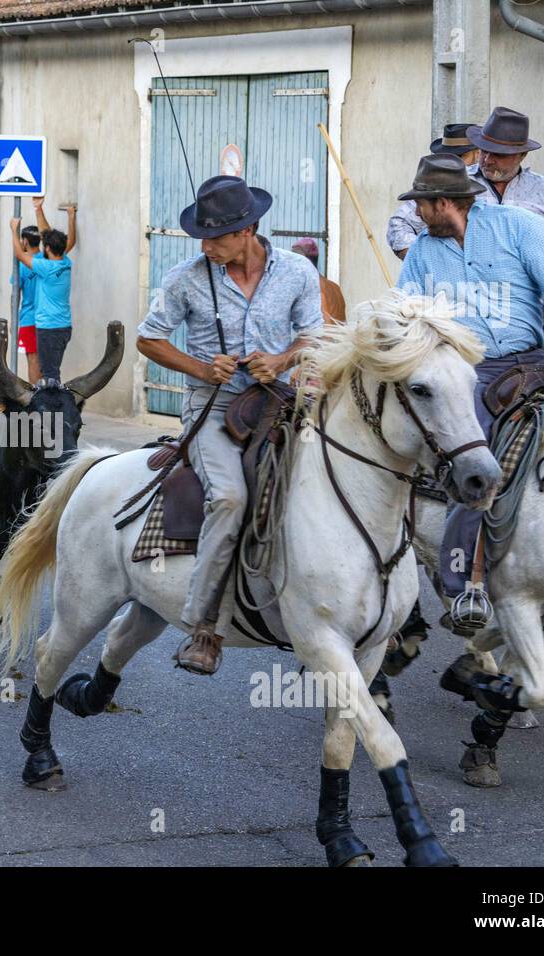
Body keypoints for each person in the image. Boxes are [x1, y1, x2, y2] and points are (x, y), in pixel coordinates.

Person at [393, 153, 544, 625]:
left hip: (526, 363)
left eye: (421, 204)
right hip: (462, 373)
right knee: (475, 463)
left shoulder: (520, 228)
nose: (416, 214)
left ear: (443, 203)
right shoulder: (424, 250)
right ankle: (463, 585)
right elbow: (404, 309)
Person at [136, 175, 323, 675]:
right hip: (212, 408)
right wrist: (201, 368)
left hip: (278, 404)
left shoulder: (298, 272)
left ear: (249, 230)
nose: (207, 245)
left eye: (216, 236)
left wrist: (282, 360)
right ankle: (203, 626)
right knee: (230, 498)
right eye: (203, 235)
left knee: (335, 482)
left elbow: (314, 337)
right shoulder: (184, 278)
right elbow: (148, 339)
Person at [387, 109, 544, 280]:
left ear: (522, 155)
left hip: (530, 308)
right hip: (461, 302)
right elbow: (399, 224)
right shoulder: (455, 182)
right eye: (484, 151)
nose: (487, 160)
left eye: (499, 155)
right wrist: (433, 261)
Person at [9, 196, 77, 380]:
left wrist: (13, 230)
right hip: (64, 326)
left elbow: (19, 255)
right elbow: (67, 241)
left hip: (48, 327)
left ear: (47, 249)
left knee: (48, 374)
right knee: (51, 370)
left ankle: (48, 408)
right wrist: (39, 209)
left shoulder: (45, 267)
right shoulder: (65, 263)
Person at [290, 237, 345, 324]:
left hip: (326, 336)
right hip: (342, 337)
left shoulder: (314, 288)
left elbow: (326, 325)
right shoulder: (335, 287)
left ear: (303, 260)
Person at [14, 224, 42, 383]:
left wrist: (13, 317)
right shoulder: (47, 259)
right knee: (44, 363)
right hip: (46, 320)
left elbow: (15, 294)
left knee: (32, 361)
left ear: (25, 241)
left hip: (29, 318)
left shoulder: (23, 264)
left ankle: (36, 399)